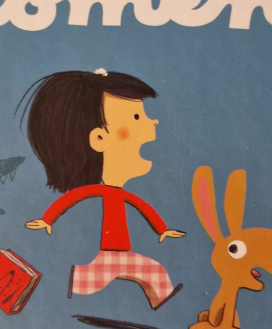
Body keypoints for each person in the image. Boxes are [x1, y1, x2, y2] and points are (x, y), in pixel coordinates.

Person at [24, 69, 184, 308]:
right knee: (90, 281)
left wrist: (163, 230)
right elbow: (70, 200)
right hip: (104, 256)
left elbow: (143, 207)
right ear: (99, 139)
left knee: (152, 272)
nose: (154, 121)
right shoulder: (92, 196)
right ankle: (55, 287)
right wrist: (47, 221)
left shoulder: (120, 194)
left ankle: (165, 304)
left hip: (116, 256)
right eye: (136, 117)